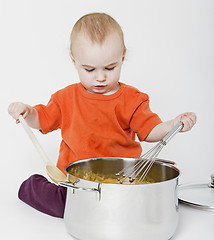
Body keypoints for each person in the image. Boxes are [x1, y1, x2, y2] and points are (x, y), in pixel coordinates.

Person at [8, 13, 196, 218]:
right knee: (66, 207)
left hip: (123, 181)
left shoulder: (133, 99)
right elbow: (42, 118)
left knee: (139, 209)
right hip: (78, 184)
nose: (100, 77)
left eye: (110, 68)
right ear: (74, 60)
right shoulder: (66, 98)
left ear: (122, 57)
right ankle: (32, 187)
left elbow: (150, 130)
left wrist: (172, 125)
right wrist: (28, 112)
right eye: (89, 69)